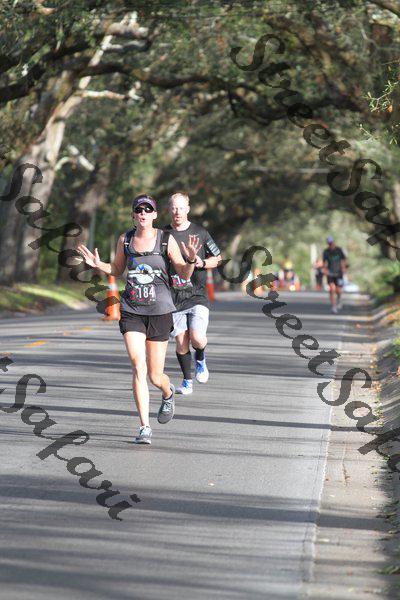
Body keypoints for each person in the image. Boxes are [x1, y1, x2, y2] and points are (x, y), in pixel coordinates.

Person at [77, 193, 202, 444]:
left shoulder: (165, 240)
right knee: (138, 366)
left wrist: (190, 260)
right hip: (132, 309)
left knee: (155, 376)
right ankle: (144, 427)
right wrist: (98, 265)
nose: (143, 213)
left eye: (147, 210)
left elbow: (184, 274)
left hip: (160, 311)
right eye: (138, 210)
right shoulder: (125, 239)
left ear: (155, 214)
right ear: (134, 215)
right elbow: (117, 269)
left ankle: (167, 392)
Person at [165, 192, 221, 395]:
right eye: (174, 208)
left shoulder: (200, 232)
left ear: (188, 209)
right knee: (181, 342)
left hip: (197, 295)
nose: (177, 212)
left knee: (197, 338)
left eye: (181, 208)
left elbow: (218, 258)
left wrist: (202, 262)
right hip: (174, 297)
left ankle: (201, 359)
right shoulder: (163, 235)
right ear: (169, 210)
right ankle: (187, 382)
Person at [323, 236, 346, 314]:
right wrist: (325, 270)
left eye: (331, 243)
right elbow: (324, 262)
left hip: (339, 272)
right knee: (332, 289)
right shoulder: (326, 252)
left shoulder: (339, 250)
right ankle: (333, 306)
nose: (330, 244)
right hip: (330, 273)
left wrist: (343, 268)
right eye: (329, 243)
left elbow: (343, 259)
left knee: (338, 290)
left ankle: (339, 299)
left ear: (333, 242)